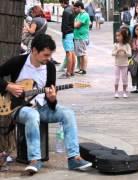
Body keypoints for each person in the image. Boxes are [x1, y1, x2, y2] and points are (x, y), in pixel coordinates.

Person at [0, 34, 92, 174]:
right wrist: (8, 86)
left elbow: (52, 101)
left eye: (50, 55)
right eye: (45, 55)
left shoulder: (50, 68)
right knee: (32, 115)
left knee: (68, 114)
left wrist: (53, 98)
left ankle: (74, 158)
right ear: (35, 51)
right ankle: (35, 160)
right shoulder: (18, 62)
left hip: (42, 107)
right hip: (18, 107)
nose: (48, 58)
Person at [112, 29, 131, 98]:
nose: (117, 37)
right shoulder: (115, 45)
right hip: (117, 64)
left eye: (119, 35)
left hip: (125, 65)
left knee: (124, 78)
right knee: (117, 78)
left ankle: (125, 91)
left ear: (123, 36)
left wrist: (125, 51)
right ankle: (116, 92)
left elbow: (129, 54)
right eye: (116, 36)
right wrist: (117, 51)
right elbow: (112, 53)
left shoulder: (127, 45)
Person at [59, 0, 76, 79]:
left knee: (68, 53)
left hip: (67, 34)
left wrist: (64, 35)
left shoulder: (66, 11)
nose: (60, 4)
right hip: (72, 33)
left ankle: (68, 72)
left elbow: (64, 25)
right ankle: (72, 71)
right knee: (72, 53)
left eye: (60, 3)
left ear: (63, 2)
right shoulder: (71, 9)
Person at [73, 1, 90, 75]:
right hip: (78, 36)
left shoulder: (85, 15)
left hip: (82, 37)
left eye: (75, 8)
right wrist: (74, 22)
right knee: (80, 54)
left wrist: (74, 23)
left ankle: (84, 69)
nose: (74, 10)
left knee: (83, 53)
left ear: (79, 7)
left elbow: (76, 25)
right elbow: (74, 22)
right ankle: (81, 68)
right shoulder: (79, 15)